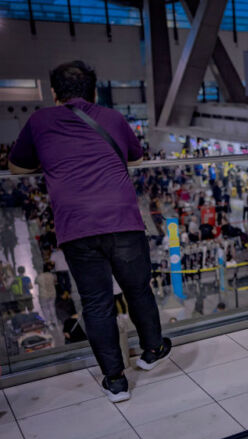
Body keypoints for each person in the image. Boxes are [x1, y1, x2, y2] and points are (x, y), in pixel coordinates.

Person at [8, 60, 171, 403]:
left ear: (53, 93)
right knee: (138, 289)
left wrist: (50, 160)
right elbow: (136, 157)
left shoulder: (39, 121)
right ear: (94, 92)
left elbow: (15, 165)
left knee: (97, 304)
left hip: (77, 227)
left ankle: (115, 382)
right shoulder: (111, 118)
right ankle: (152, 350)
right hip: (123, 220)